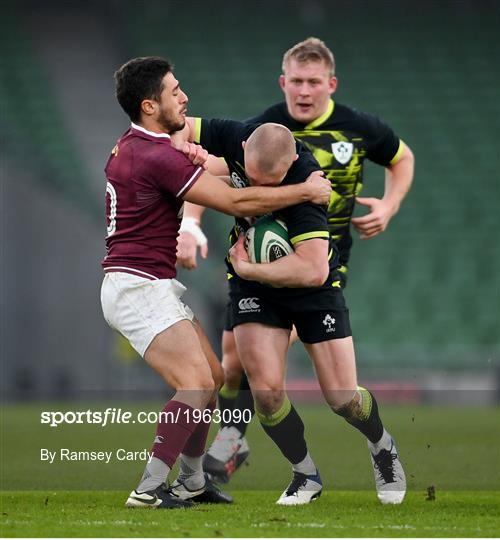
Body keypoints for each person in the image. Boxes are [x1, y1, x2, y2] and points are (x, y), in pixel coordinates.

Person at [177, 37, 414, 505]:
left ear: (331, 83)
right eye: (296, 82)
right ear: (283, 82)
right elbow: (202, 162)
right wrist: (191, 223)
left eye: (314, 82)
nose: (304, 91)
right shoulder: (253, 130)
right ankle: (284, 464)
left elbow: (312, 268)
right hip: (252, 266)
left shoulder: (349, 139)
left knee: (341, 396)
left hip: (318, 264)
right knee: (246, 373)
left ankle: (381, 443)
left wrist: (390, 203)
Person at [100, 56, 332, 509]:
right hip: (137, 286)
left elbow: (197, 170)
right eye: (174, 91)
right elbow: (231, 198)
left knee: (213, 376)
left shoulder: (134, 145)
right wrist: (305, 189)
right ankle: (147, 489)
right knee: (194, 384)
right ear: (150, 106)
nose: (184, 97)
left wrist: (198, 159)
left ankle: (191, 481)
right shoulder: (155, 156)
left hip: (145, 282)